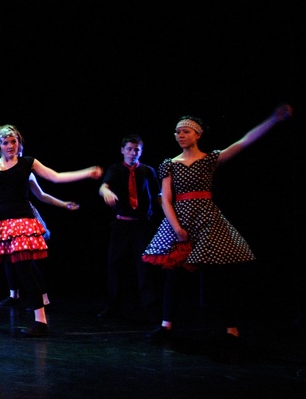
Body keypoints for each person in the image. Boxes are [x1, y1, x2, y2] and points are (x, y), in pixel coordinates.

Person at [142, 104, 293, 343]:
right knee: (174, 276)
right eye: (177, 132)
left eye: (185, 131)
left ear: (198, 134)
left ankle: (231, 329)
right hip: (180, 220)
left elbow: (244, 142)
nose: (180, 135)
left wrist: (273, 120)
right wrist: (177, 228)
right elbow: (166, 200)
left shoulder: (210, 159)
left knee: (220, 276)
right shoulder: (169, 163)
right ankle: (166, 326)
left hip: (207, 220)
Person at [0, 124, 102, 337]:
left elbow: (54, 179)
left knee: (25, 271)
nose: (10, 146)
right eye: (6, 142)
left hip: (21, 223)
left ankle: (40, 321)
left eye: (14, 141)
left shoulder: (27, 164)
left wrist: (86, 174)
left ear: (19, 142)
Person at [97, 134, 162, 322]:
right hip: (122, 225)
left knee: (145, 268)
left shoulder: (148, 171)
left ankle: (151, 309)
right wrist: (106, 192)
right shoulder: (115, 170)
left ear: (141, 151)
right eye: (130, 149)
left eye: (136, 150)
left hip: (142, 225)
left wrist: (169, 212)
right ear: (122, 150)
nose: (133, 153)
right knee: (115, 266)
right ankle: (113, 307)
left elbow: (158, 195)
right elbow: (103, 187)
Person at [0, 173, 80, 310]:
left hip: (23, 218)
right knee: (9, 258)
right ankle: (14, 296)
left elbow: (41, 195)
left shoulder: (25, 170)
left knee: (27, 261)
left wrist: (64, 204)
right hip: (5, 217)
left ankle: (44, 299)